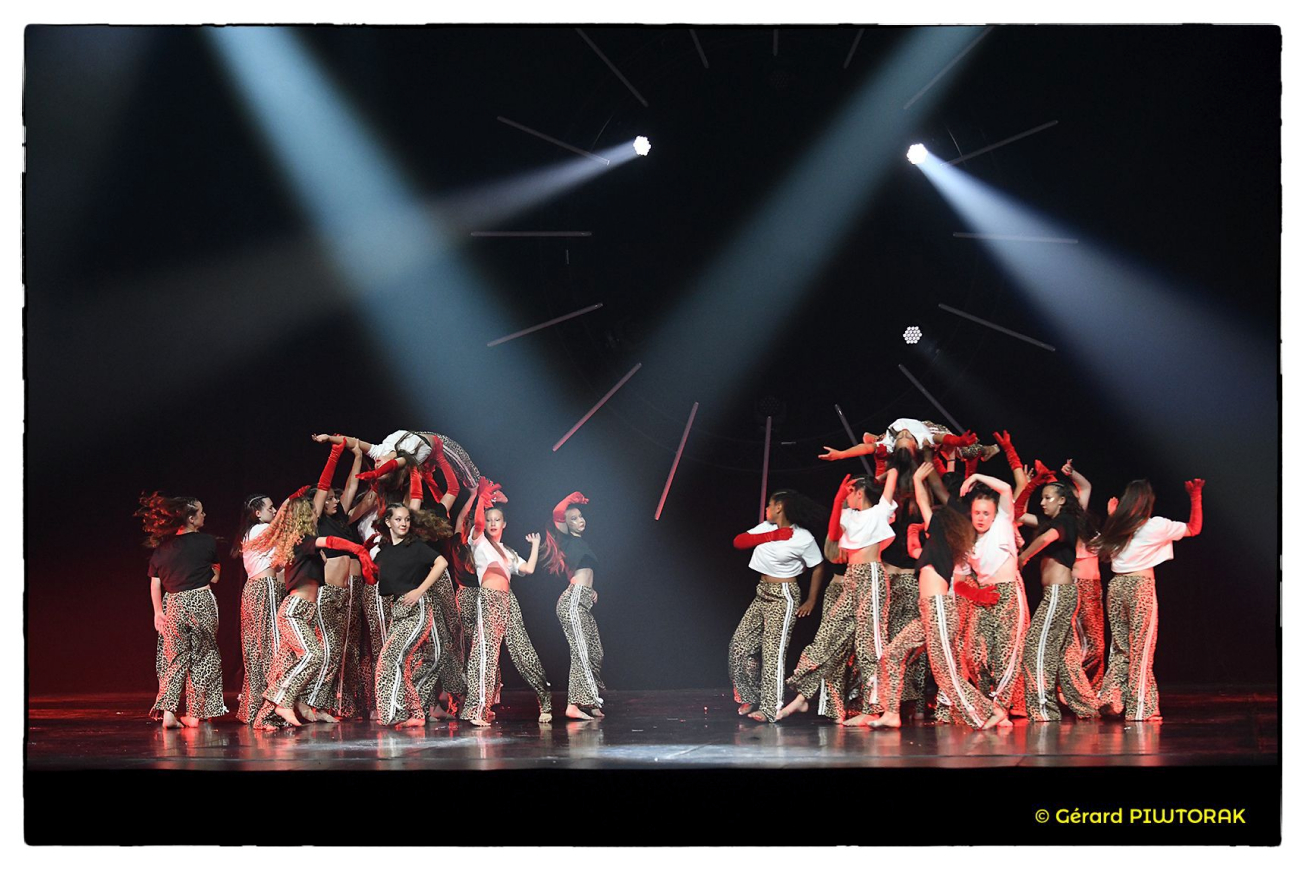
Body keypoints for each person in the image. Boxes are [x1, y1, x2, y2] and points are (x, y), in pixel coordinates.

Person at [867, 462, 1006, 729]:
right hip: (928, 612)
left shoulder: (945, 533)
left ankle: (990, 712)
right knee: (892, 655)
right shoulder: (939, 537)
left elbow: (926, 504)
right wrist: (919, 482)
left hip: (939, 610)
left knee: (945, 672)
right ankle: (891, 713)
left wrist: (921, 482)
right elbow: (925, 505)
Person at [778, 465, 900, 725]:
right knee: (827, 635)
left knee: (870, 644)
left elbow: (893, 473)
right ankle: (803, 695)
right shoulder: (847, 514)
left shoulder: (880, 511)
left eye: (850, 491)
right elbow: (833, 534)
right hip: (851, 578)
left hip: (871, 576)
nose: (847, 495)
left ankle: (874, 708)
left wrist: (871, 479)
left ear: (859, 492)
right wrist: (837, 499)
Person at [246, 497, 376, 730]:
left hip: (304, 612)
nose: (317, 515)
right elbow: (331, 541)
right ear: (305, 516)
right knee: (313, 654)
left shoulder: (304, 544)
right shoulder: (302, 540)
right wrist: (358, 549)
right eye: (313, 512)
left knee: (284, 666)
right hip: (294, 611)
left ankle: (263, 718)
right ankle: (284, 702)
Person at [1092, 478, 1204, 721]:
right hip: (1140, 587)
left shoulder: (1116, 526)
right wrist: (1195, 496)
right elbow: (1194, 528)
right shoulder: (1156, 525)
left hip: (1116, 586)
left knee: (1120, 648)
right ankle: (1141, 707)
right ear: (1147, 502)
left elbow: (1102, 548)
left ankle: (1111, 697)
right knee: (1141, 649)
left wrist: (1113, 517)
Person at [727, 489, 828, 723]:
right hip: (762, 592)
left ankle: (770, 708)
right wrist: (773, 536)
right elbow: (739, 542)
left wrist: (811, 600)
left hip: (784, 595)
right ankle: (751, 695)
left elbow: (818, 566)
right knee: (739, 646)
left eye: (770, 505)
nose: (766, 509)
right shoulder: (766, 528)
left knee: (773, 652)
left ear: (779, 507)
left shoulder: (803, 537)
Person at [461, 478, 552, 726]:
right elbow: (478, 523)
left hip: (509, 600)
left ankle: (545, 699)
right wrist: (482, 500)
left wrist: (535, 546)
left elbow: (529, 569)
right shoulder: (479, 542)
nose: (492, 523)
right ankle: (478, 709)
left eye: (497, 520)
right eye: (489, 520)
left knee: (524, 652)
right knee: (485, 654)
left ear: (504, 524)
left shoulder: (509, 552)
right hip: (489, 600)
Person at [138, 493, 226, 728]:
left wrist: (158, 612)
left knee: (174, 659)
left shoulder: (162, 549)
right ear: (191, 518)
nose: (204, 514)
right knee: (204, 655)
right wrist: (213, 570)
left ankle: (169, 714)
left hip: (173, 604)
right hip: (201, 601)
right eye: (201, 512)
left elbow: (155, 583)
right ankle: (195, 714)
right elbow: (215, 577)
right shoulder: (207, 542)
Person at [1015, 479, 1100, 721]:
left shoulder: (1066, 520)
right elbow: (1018, 514)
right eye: (1042, 498)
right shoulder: (1051, 521)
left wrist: (1023, 557)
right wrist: (1029, 485)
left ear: (1062, 500)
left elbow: (1045, 539)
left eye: (1048, 498)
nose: (1043, 503)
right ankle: (1087, 706)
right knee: (1066, 655)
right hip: (1059, 594)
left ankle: (1044, 709)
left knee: (1035, 648)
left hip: (1058, 595)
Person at [371, 501, 452, 728]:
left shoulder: (415, 546)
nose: (404, 523)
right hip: (397, 610)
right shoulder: (384, 552)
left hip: (416, 609)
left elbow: (442, 562)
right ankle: (416, 713)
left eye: (406, 519)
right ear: (388, 522)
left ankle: (393, 713)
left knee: (389, 658)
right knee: (400, 663)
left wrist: (420, 590)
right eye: (398, 519)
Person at [958, 472, 1028, 724]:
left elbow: (1006, 488)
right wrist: (975, 594)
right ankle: (989, 705)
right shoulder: (969, 541)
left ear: (995, 514)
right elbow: (959, 580)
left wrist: (975, 476)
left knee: (1007, 653)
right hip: (983, 597)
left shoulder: (1002, 525)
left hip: (1007, 593)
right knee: (975, 654)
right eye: (977, 513)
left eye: (986, 513)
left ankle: (1001, 709)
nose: (981, 518)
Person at [544, 491, 608, 720]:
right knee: (581, 652)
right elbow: (557, 512)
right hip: (572, 602)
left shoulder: (581, 543)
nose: (580, 520)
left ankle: (589, 701)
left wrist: (591, 590)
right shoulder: (566, 539)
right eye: (574, 518)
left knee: (595, 652)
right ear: (565, 524)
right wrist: (571, 498)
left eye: (581, 516)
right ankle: (574, 705)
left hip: (583, 601)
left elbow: (581, 572)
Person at [232, 493, 282, 724]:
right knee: (273, 647)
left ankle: (252, 710)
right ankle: (270, 712)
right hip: (265, 588)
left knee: (253, 653)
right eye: (270, 508)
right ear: (258, 513)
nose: (275, 511)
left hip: (251, 589)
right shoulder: (263, 529)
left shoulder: (248, 532)